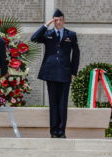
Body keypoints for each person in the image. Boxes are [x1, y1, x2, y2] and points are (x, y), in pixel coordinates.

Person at [30, 9, 80, 138]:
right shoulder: (48, 33)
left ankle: (61, 131)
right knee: (53, 103)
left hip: (65, 73)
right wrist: (46, 25)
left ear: (64, 20)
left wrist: (74, 72)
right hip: (51, 72)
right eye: (56, 20)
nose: (58, 22)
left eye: (60, 20)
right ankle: (53, 132)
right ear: (53, 21)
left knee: (62, 103)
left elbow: (76, 55)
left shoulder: (71, 34)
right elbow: (34, 38)